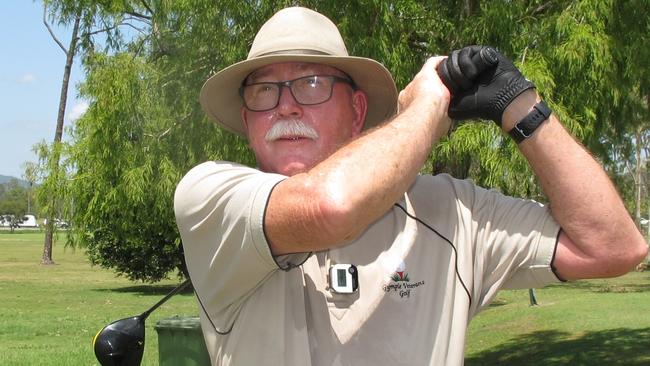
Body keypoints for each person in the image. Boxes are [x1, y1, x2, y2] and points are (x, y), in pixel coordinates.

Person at [174, 6, 647, 366]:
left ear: (357, 111)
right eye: (264, 90)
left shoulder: (453, 210)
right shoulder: (212, 197)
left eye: (312, 83)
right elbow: (330, 206)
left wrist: (520, 108)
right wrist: (428, 104)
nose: (286, 107)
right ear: (247, 119)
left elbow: (612, 247)